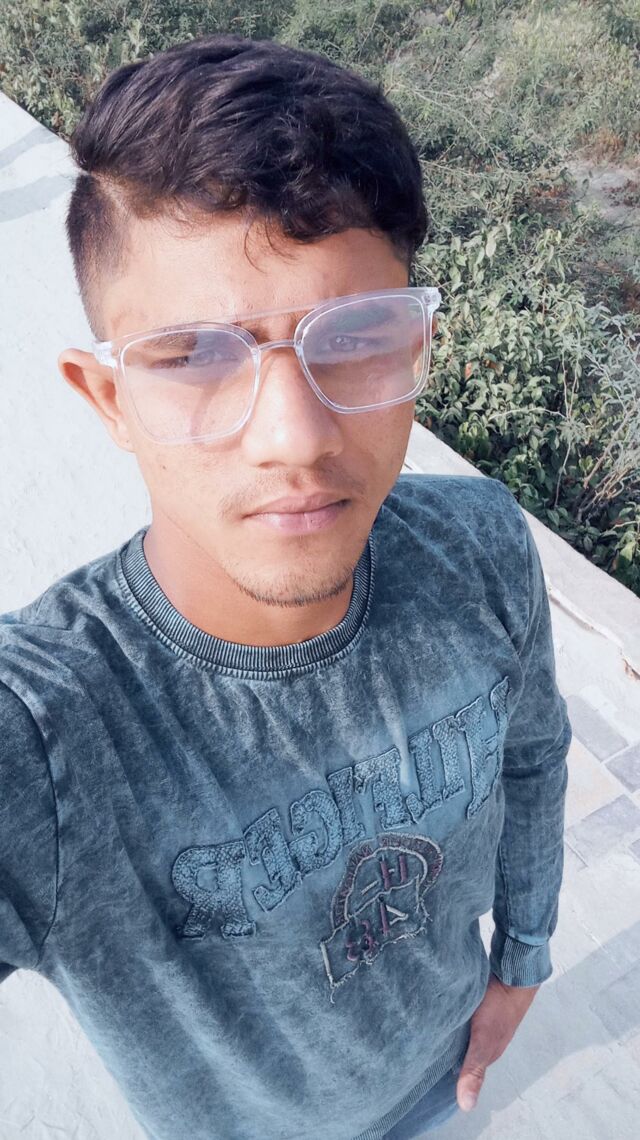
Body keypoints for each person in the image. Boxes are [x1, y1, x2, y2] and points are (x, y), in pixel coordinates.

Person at [0, 32, 572, 1140]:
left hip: (449, 1065)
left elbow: (535, 756)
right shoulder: (49, 733)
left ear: (419, 345)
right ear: (108, 399)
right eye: (190, 355)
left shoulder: (480, 546)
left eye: (355, 337)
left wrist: (524, 958)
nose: (294, 437)